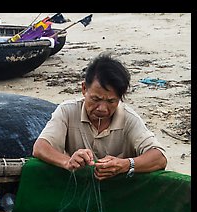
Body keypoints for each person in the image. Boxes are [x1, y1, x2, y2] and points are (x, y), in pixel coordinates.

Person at [33, 53, 167, 180]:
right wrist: (67, 162)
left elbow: (159, 158)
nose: (102, 109)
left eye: (111, 101)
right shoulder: (67, 111)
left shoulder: (129, 119)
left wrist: (125, 165)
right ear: (84, 89)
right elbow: (40, 147)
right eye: (96, 99)